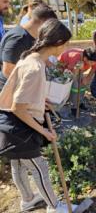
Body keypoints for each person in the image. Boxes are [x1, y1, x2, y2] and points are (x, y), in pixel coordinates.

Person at [0, 18, 77, 213]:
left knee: (18, 164)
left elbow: (21, 92)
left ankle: (27, 200)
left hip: (8, 121)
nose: (66, 48)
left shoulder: (30, 58)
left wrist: (40, 100)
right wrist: (44, 131)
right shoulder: (35, 67)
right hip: (17, 125)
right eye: (66, 43)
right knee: (39, 167)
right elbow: (18, 107)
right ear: (58, 43)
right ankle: (55, 207)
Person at [0, 5, 57, 91]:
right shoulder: (18, 39)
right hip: (10, 91)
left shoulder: (33, 36)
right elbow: (8, 71)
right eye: (50, 27)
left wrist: (56, 69)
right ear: (43, 22)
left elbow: (37, 55)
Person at [57, 47, 96, 115]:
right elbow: (72, 75)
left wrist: (87, 78)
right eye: (91, 62)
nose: (92, 63)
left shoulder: (93, 59)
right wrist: (77, 68)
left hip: (79, 69)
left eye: (94, 62)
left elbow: (94, 68)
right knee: (75, 87)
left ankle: (80, 102)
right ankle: (74, 106)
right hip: (64, 68)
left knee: (83, 84)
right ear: (85, 58)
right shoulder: (75, 57)